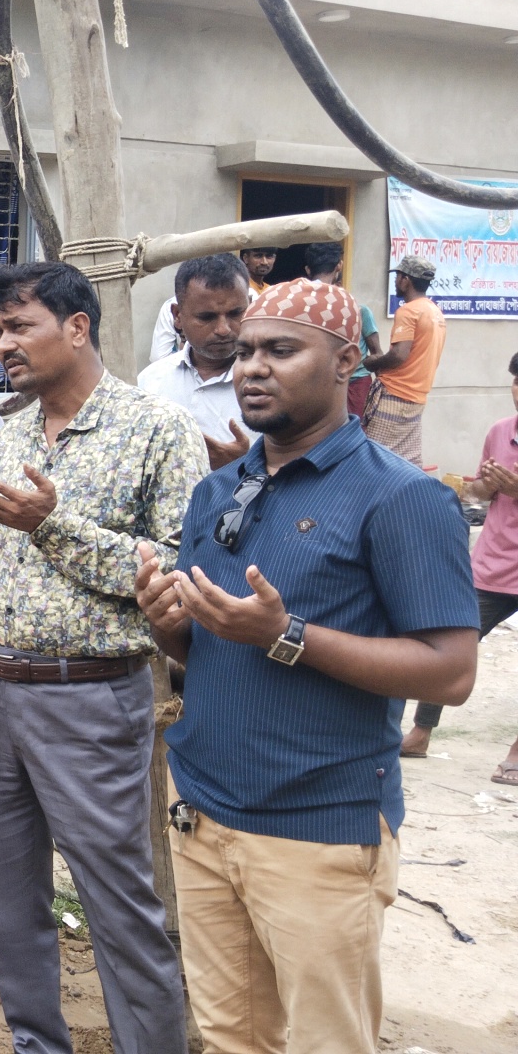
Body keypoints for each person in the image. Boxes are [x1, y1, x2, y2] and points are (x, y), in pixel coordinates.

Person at [137, 278, 478, 1054]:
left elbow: (451, 672)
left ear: (347, 362)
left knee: (327, 1043)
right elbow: (211, 652)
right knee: (231, 1037)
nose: (253, 366)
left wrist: (289, 634)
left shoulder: (401, 498)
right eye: (247, 350)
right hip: (204, 815)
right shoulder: (219, 490)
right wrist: (170, 629)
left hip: (318, 832)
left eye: (281, 350)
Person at [0, 261, 203, 1054]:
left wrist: (52, 525)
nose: (4, 344)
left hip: (88, 698)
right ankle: (36, 1043)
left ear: (78, 327)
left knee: (117, 902)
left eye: (21, 326)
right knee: (9, 896)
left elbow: (176, 573)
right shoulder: (14, 429)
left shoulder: (155, 430)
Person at [401, 350, 518, 776]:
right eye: (516, 381)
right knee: (451, 644)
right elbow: (480, 495)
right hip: (493, 562)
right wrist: (485, 485)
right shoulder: (501, 432)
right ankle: (421, 732)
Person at [137, 253, 252, 469]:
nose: (223, 329)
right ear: (177, 316)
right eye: (206, 317)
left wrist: (245, 464)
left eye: (235, 313)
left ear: (251, 306)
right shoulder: (149, 384)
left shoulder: (274, 384)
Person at [367, 255, 448, 465]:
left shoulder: (408, 311)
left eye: (398, 277)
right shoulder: (435, 312)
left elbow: (398, 355)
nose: (395, 281)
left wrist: (372, 362)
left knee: (375, 460)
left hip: (394, 396)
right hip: (417, 399)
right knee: (407, 464)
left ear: (406, 280)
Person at [297, 242, 381, 421]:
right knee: (351, 428)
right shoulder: (351, 305)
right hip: (342, 378)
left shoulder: (298, 303)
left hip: (316, 378)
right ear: (339, 266)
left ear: (308, 269)